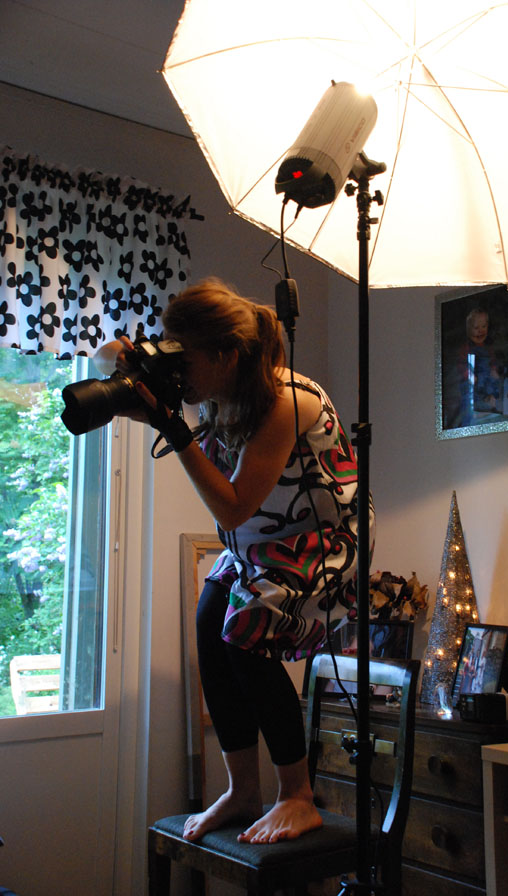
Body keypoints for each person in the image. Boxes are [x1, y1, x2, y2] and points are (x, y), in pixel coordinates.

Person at [96, 277, 370, 845]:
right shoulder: (221, 393)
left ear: (226, 356)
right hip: (262, 541)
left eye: (187, 359)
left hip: (323, 541)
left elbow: (234, 504)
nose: (182, 373)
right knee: (209, 622)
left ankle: (297, 795)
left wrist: (171, 428)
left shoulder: (286, 401)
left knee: (245, 636)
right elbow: (104, 357)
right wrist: (130, 361)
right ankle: (242, 789)